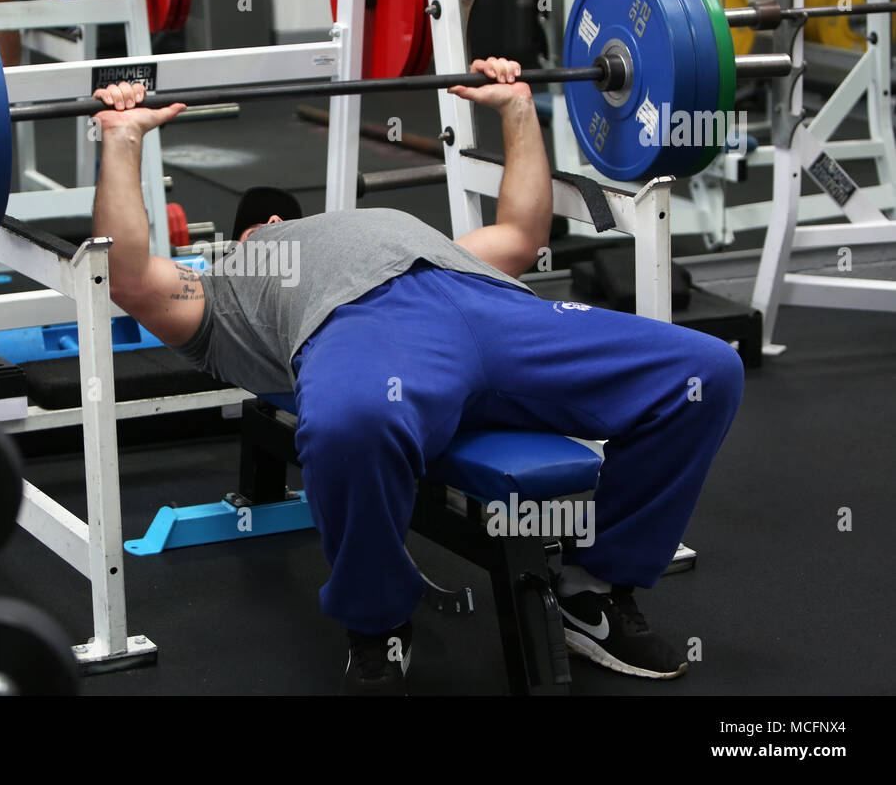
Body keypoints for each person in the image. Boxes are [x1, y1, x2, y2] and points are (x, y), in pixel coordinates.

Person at [89, 59, 744, 695]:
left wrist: (518, 109)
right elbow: (128, 277)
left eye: (278, 217)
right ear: (253, 234)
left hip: (493, 310)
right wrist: (121, 142)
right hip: (365, 333)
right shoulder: (224, 282)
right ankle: (377, 624)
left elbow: (520, 232)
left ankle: (593, 588)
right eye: (264, 222)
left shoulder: (416, 235)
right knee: (351, 424)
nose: (276, 221)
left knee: (706, 370)